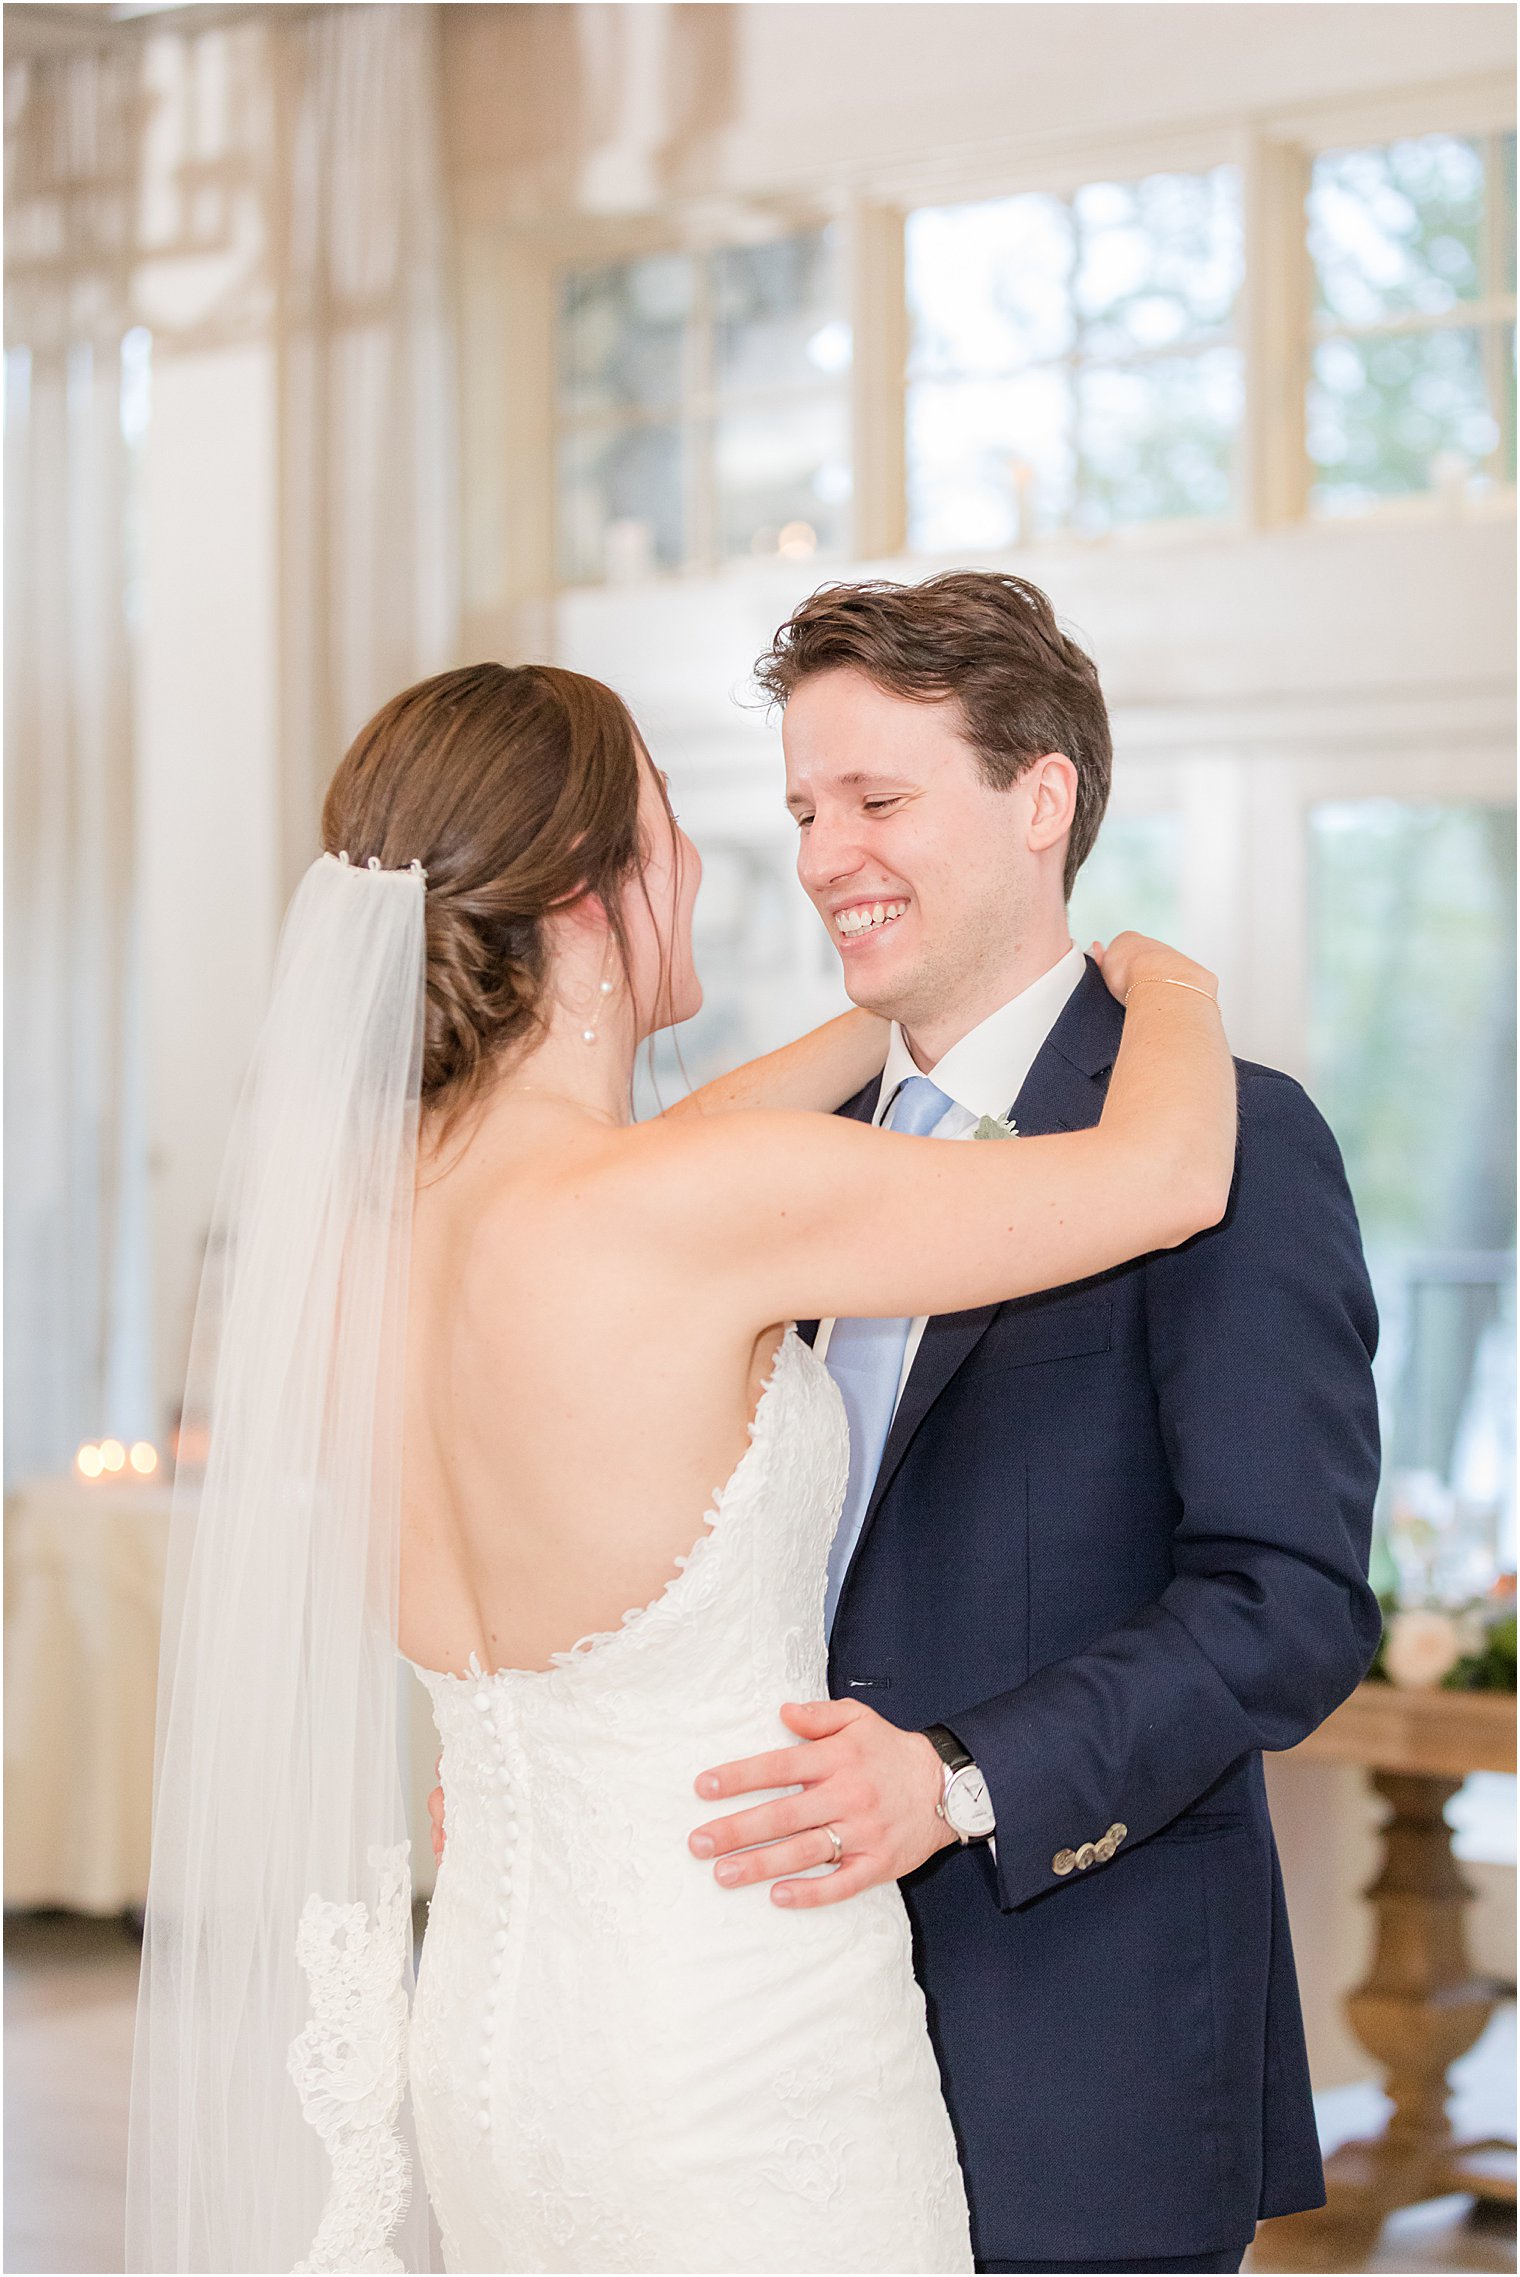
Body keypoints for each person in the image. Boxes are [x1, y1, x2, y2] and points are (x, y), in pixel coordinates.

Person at [128, 655, 1235, 2274]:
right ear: (588, 891)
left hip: (501, 2039)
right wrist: (1168, 978)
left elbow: (684, 1146)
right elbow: (1168, 1168)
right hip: (734, 2044)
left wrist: (894, 1002)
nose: (724, 862)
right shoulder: (694, 1209)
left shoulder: (381, 1230)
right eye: (676, 825)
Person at [677, 572, 1383, 2277]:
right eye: (801, 808)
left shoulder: (1228, 1136)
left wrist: (961, 1778)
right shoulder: (799, 1151)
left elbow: (1287, 1605)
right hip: (771, 2015)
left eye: (880, 798)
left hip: (1085, 2032)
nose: (827, 851)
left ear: (1039, 794)